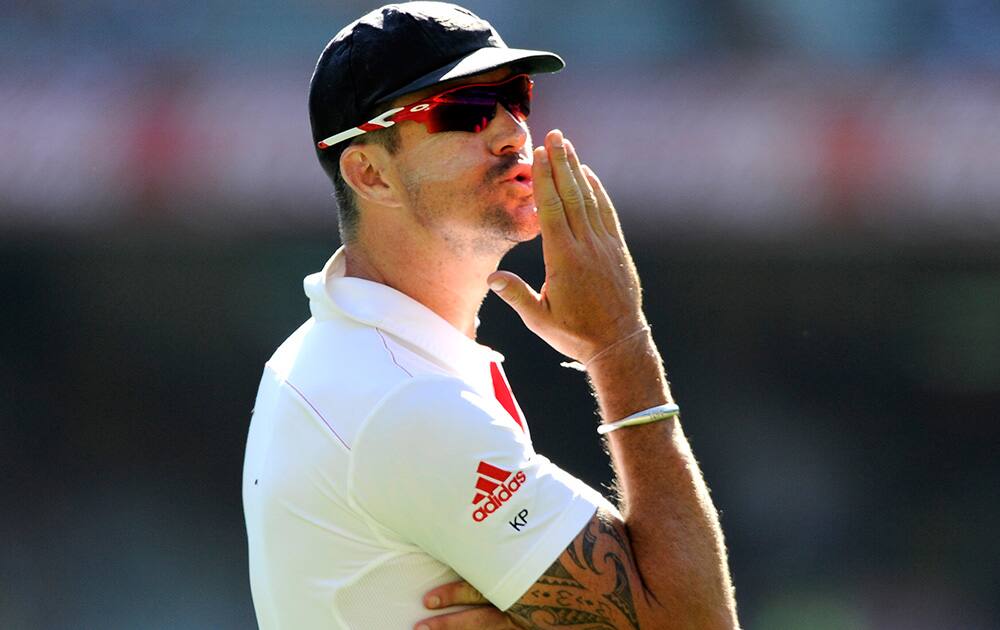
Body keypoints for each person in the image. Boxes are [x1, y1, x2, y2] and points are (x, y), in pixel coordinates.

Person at [242, 2, 740, 628]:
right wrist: (619, 345)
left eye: (515, 96)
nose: (509, 131)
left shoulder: (343, 351)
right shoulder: (403, 399)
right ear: (370, 172)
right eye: (465, 110)